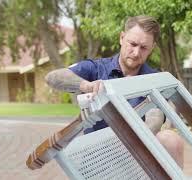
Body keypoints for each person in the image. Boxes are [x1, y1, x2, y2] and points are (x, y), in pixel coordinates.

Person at [45, 15, 184, 167]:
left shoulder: (154, 79)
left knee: (171, 139)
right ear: (122, 38)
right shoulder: (97, 69)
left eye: (143, 48)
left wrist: (134, 145)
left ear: (152, 48)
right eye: (133, 44)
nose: (136, 53)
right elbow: (52, 77)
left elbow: (155, 117)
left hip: (137, 156)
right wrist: (86, 85)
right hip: (98, 159)